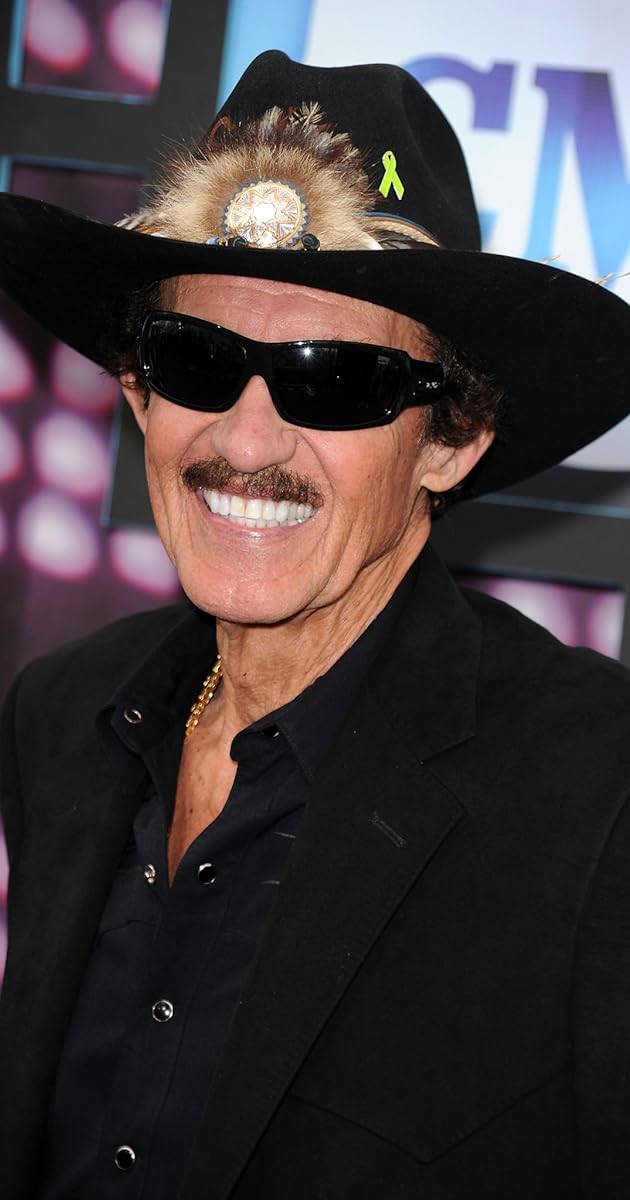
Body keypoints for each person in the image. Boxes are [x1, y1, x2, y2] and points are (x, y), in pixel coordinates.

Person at [1, 49, 630, 1200]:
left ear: (451, 441)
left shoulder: (600, 789)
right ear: (138, 391)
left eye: (334, 379)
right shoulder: (63, 717)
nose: (246, 443)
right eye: (197, 362)